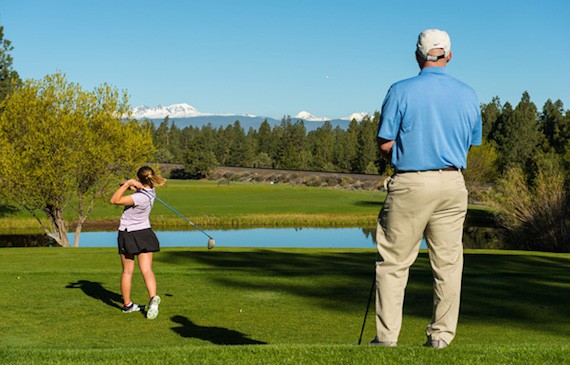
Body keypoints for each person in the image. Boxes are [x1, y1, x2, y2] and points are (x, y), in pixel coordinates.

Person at [371, 29, 482, 348]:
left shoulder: (400, 90)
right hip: (453, 183)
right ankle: (441, 339)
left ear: (418, 56)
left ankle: (387, 340)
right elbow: (471, 143)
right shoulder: (468, 93)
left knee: (393, 263)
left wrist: (408, 154)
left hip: (411, 182)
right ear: (449, 55)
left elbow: (385, 142)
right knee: (448, 265)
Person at [110, 166, 166, 319]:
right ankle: (152, 298)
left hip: (128, 233)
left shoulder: (138, 197)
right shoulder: (151, 191)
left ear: (140, 179)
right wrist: (129, 183)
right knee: (147, 270)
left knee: (127, 271)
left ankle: (127, 305)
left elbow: (114, 200)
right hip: (145, 232)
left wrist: (128, 184)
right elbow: (133, 187)